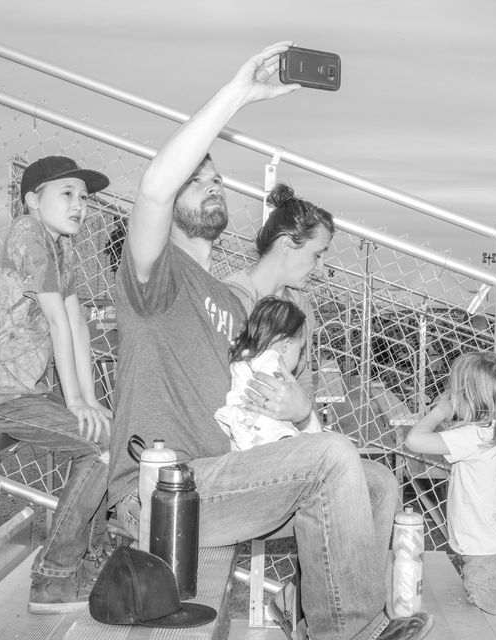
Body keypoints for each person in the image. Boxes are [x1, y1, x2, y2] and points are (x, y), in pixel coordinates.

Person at [107, 43, 432, 640]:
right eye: (193, 179)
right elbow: (153, 190)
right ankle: (353, 632)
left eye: (215, 179)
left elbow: (264, 409)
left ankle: (319, 620)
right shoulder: (154, 280)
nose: (209, 186)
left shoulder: (234, 303)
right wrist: (239, 93)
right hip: (162, 488)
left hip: (232, 474)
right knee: (334, 455)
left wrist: (301, 413)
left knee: (376, 479)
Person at [0, 156, 113, 613]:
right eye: (68, 194)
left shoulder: (63, 247)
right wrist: (75, 400)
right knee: (97, 449)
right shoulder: (28, 232)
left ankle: (93, 566)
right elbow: (58, 320)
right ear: (33, 200)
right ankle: (53, 579)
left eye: (84, 197)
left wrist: (94, 403)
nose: (80, 205)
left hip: (19, 392)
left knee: (104, 437)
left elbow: (79, 326)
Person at [404, 351, 496, 640]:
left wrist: (440, 412)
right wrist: (491, 519)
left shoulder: (473, 436)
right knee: (494, 631)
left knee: (487, 635)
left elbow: (414, 440)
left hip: (486, 562)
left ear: (467, 396)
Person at [224, 182, 333, 404]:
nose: (321, 269)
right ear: (286, 244)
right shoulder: (230, 300)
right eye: (317, 255)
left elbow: (302, 383)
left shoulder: (301, 306)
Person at [215, 295, 316, 450]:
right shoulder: (272, 362)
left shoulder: (246, 359)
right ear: (286, 345)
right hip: (265, 435)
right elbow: (274, 400)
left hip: (247, 431)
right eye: (300, 349)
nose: (300, 355)